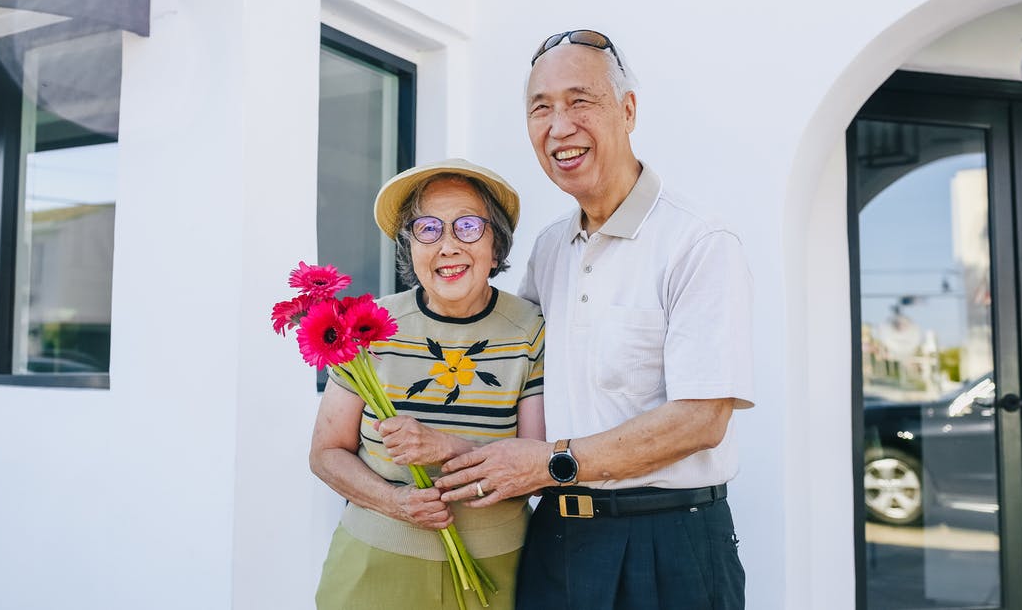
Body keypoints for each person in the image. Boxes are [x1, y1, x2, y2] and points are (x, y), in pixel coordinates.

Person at [434, 30, 755, 609]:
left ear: (628, 110)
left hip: (670, 544)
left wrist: (550, 462)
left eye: (581, 101)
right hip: (558, 537)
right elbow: (508, 366)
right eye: (541, 108)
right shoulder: (551, 247)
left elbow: (703, 419)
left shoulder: (699, 241)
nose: (559, 126)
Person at [310, 158, 546, 610]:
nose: (448, 246)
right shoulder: (368, 325)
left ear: (496, 246)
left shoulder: (529, 328)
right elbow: (325, 454)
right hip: (373, 570)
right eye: (429, 229)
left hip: (499, 575)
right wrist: (396, 501)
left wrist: (446, 447)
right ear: (409, 247)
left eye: (469, 226)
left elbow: (536, 473)